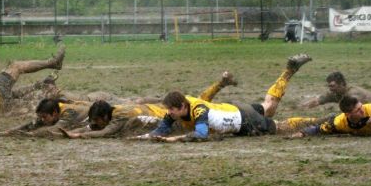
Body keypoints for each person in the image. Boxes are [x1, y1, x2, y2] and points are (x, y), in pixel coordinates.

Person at [143, 53, 317, 142]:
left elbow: (200, 134)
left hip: (244, 120)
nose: (169, 113)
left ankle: (322, 121)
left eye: (171, 110)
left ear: (181, 106)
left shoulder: (198, 109)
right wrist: (144, 137)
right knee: (269, 106)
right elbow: (162, 128)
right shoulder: (185, 104)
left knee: (280, 126)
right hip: (234, 109)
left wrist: (173, 139)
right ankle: (288, 71)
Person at [61, 71, 240, 139]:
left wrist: (77, 135)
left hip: (160, 112)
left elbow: (106, 131)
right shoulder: (119, 107)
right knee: (197, 99)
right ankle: (221, 83)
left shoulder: (119, 115)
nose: (94, 125)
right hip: (150, 106)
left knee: (199, 101)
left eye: (96, 122)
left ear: (105, 116)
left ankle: (221, 83)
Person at [293, 95, 371, 139]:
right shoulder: (339, 122)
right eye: (358, 110)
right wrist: (302, 134)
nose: (362, 110)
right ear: (348, 114)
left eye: (361, 106)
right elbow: (319, 129)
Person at [301, 71, 371, 109]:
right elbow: (317, 101)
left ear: (342, 84)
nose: (330, 89)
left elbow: (351, 111)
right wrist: (302, 106)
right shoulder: (335, 93)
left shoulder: (352, 94)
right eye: (329, 86)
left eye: (332, 86)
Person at [0, 98, 90, 137]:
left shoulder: (69, 112)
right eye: (41, 117)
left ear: (55, 113)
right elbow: (31, 125)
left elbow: (56, 129)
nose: (42, 120)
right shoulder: (53, 111)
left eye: (44, 117)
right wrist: (7, 132)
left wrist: (31, 134)